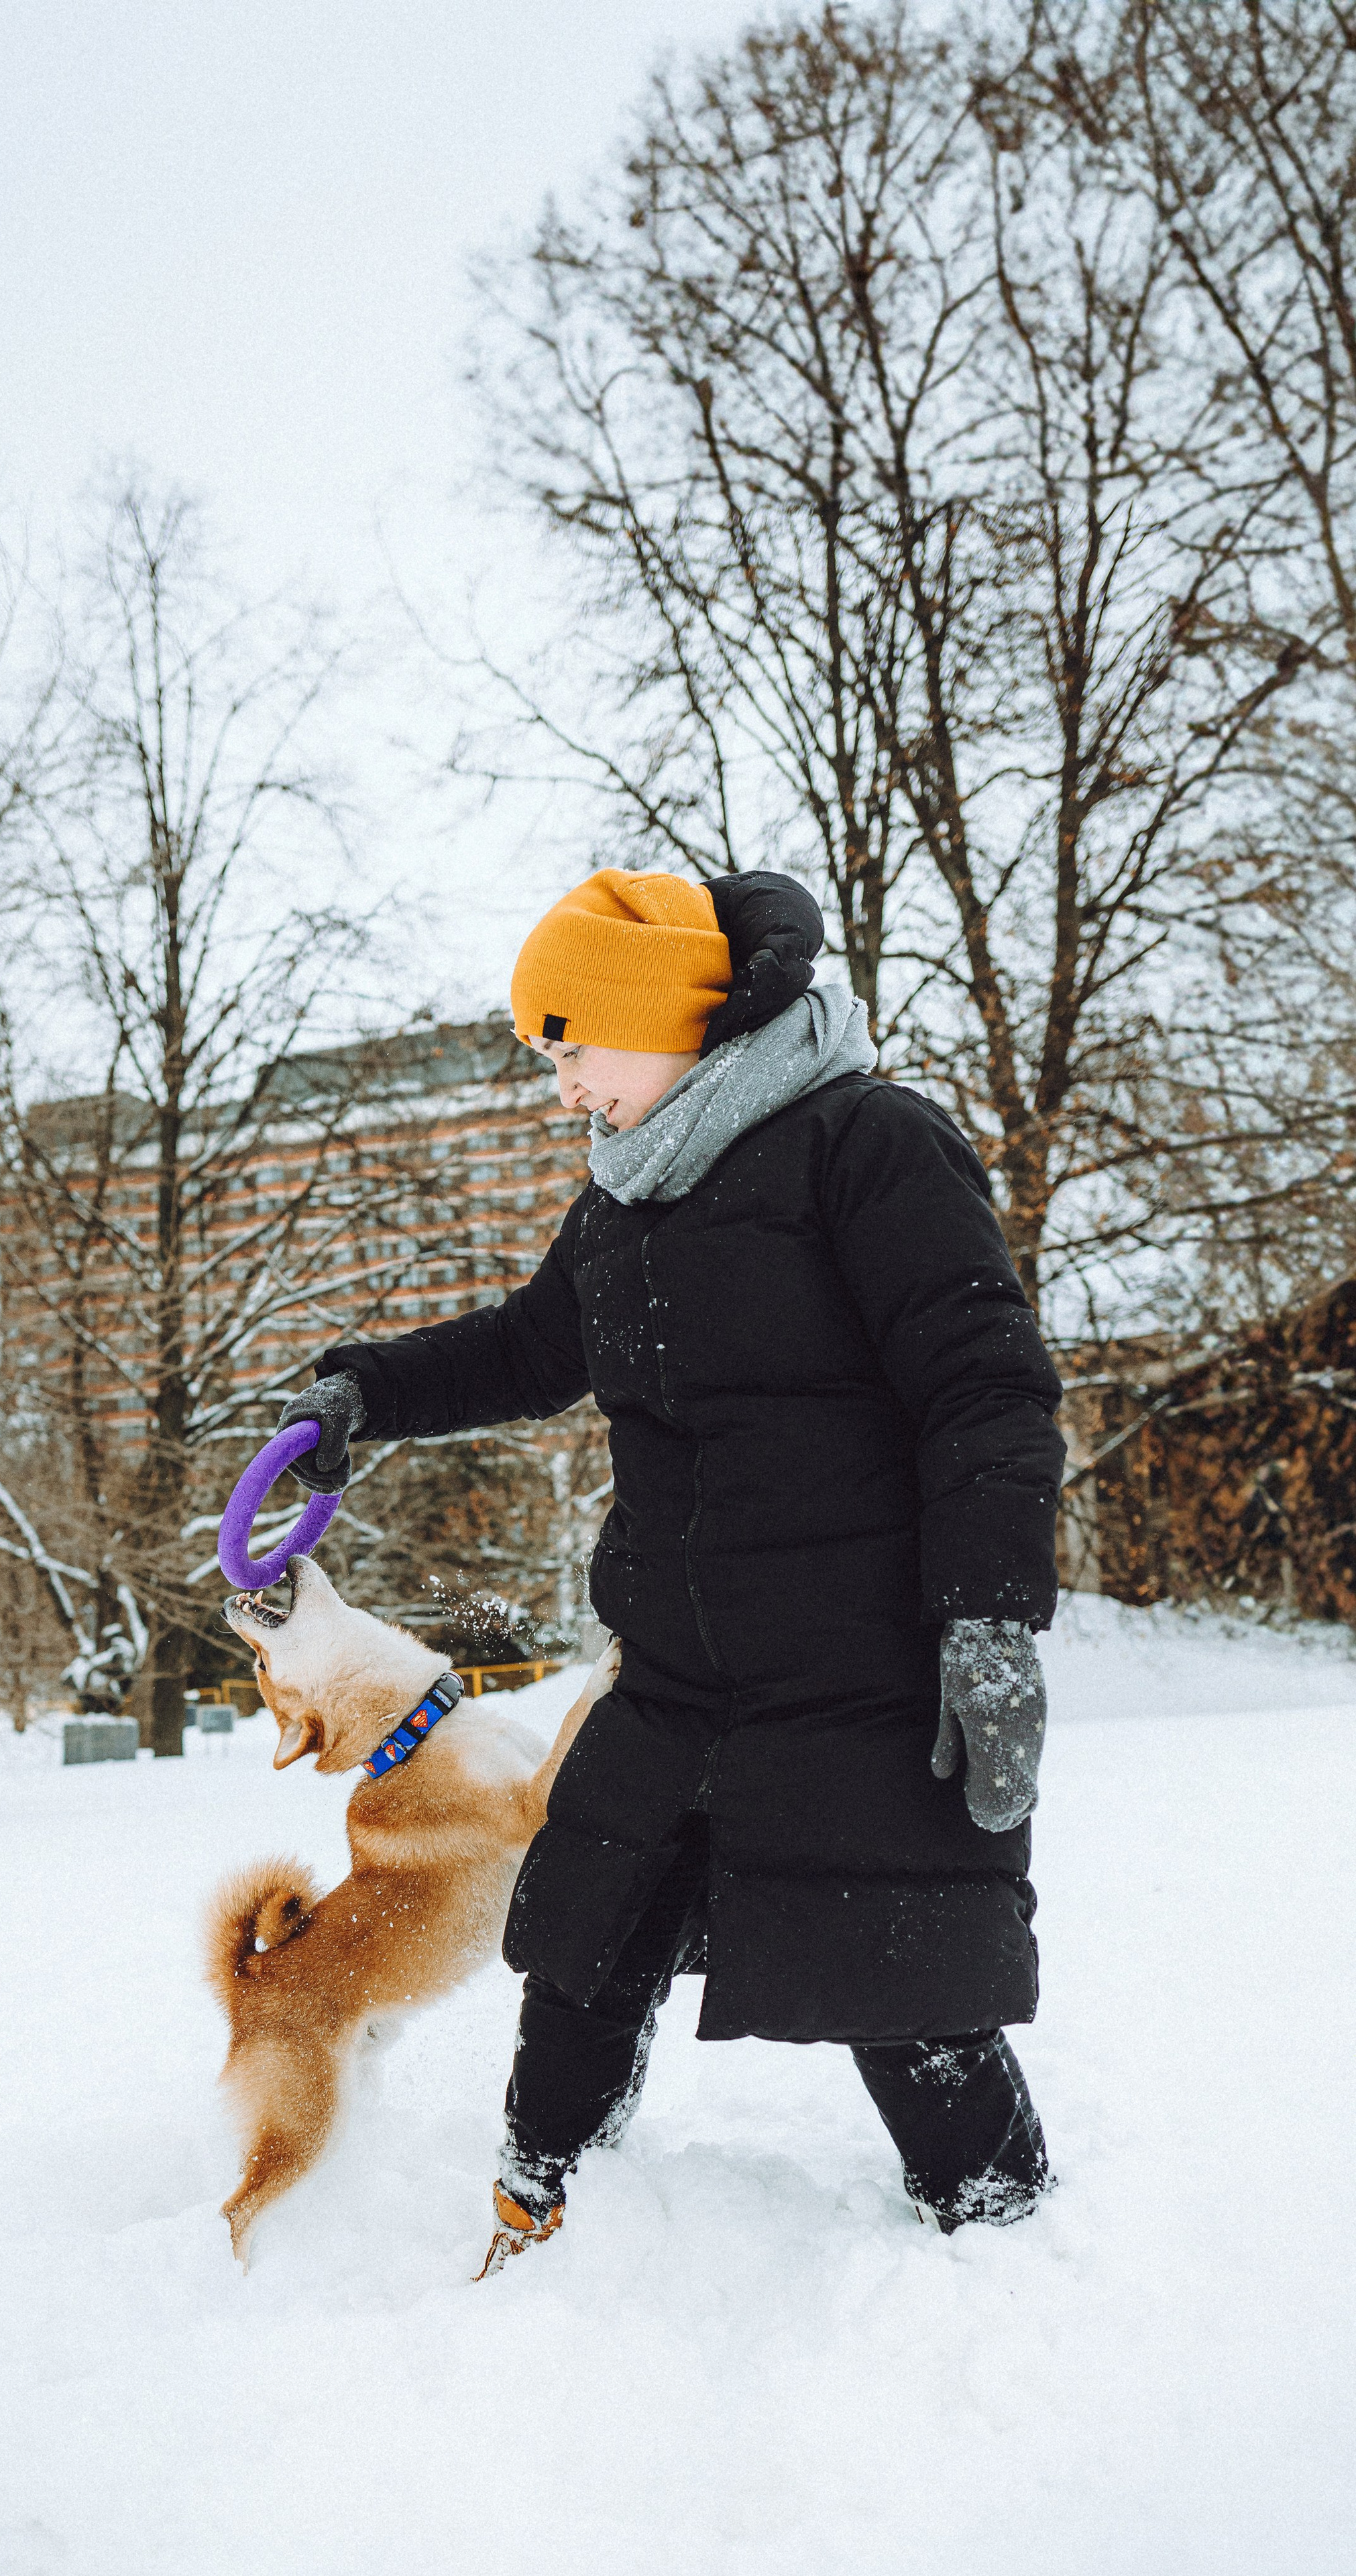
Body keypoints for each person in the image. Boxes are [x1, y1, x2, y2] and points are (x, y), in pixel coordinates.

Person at [276, 869, 1063, 2268]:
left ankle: (1001, 2251)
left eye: (572, 1047)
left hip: (854, 1676)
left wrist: (987, 1623)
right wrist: (359, 1394)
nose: (563, 1085)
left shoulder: (866, 1147)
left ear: (661, 1020)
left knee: (904, 1981)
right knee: (577, 1951)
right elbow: (525, 1349)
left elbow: (984, 1392)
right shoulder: (626, 1202)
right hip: (677, 1675)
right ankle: (544, 2219)